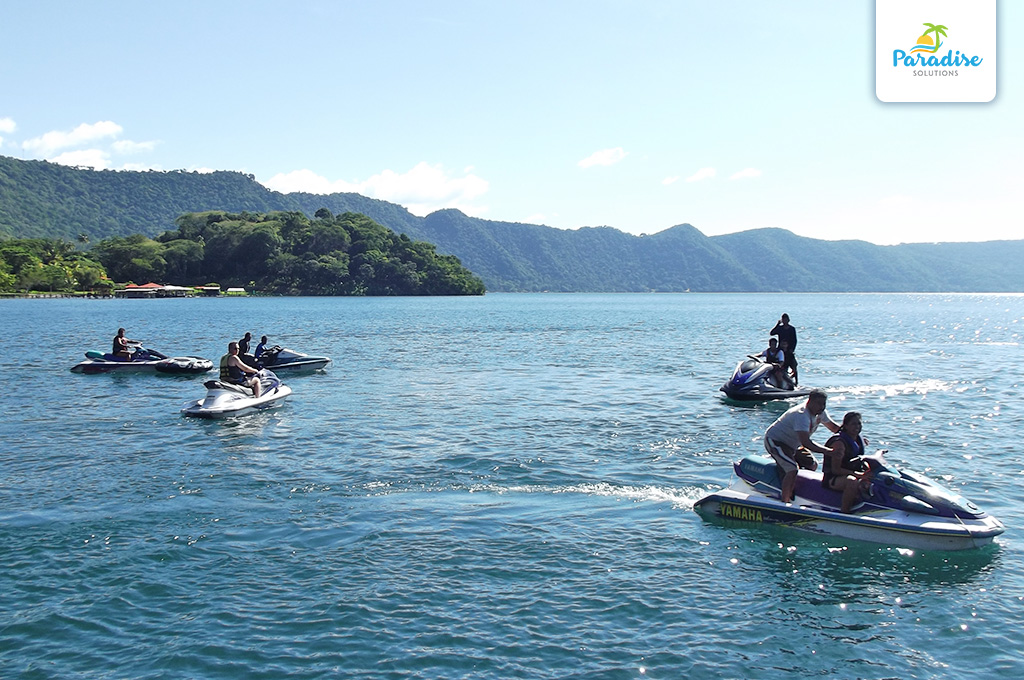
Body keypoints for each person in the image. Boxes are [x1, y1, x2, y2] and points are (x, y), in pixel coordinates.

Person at [763, 389, 840, 503]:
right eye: (819, 403)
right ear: (810, 402)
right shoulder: (801, 415)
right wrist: (828, 451)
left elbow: (834, 428)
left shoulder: (821, 413)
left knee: (812, 464)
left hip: (794, 445)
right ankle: (785, 501)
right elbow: (806, 443)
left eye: (824, 403)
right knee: (792, 469)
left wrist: (854, 437)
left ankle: (800, 493)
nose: (822, 407)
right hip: (776, 441)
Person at [822, 412, 872, 513]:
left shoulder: (858, 439)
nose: (857, 427)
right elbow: (836, 470)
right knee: (852, 481)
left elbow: (859, 459)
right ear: (846, 426)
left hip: (853, 473)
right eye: (853, 424)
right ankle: (845, 511)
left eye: (859, 424)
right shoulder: (839, 443)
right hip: (833, 478)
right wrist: (858, 474)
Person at [770, 313, 799, 386]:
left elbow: (794, 340)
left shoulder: (792, 329)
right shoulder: (780, 328)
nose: (785, 321)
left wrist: (792, 349)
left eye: (786, 319)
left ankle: (796, 381)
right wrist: (777, 324)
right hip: (781, 350)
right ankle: (781, 380)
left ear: (788, 320)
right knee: (781, 366)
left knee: (794, 365)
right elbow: (772, 333)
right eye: (783, 320)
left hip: (789, 350)